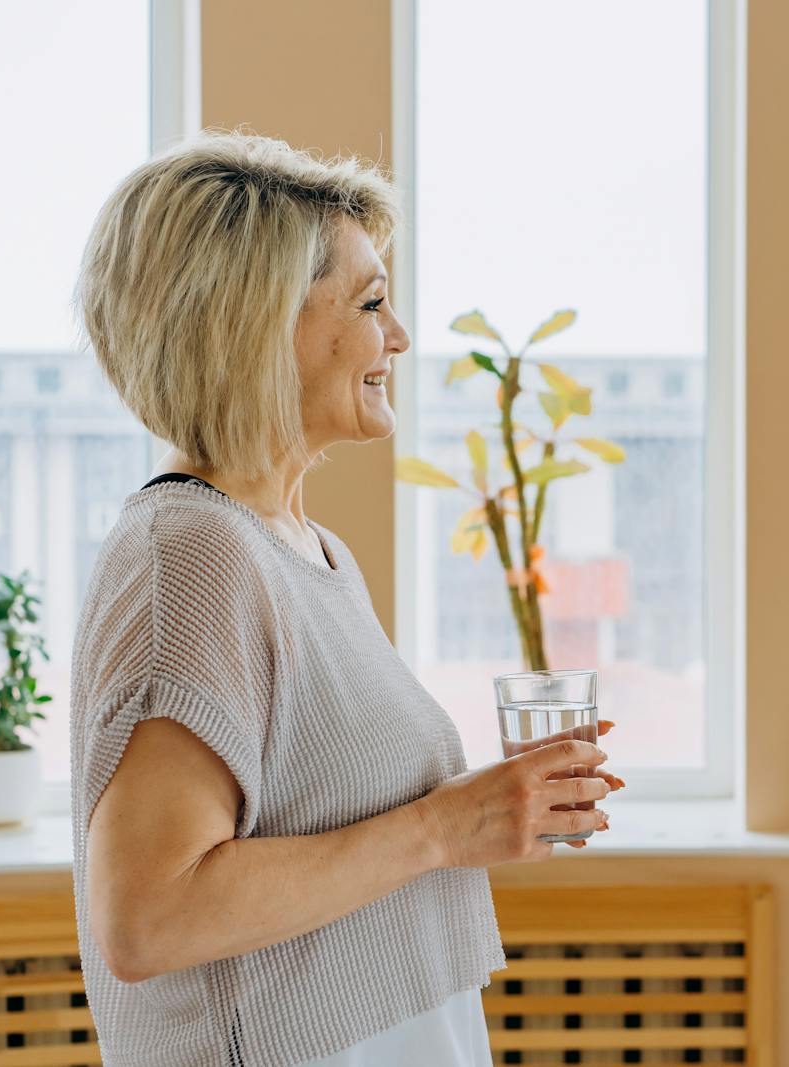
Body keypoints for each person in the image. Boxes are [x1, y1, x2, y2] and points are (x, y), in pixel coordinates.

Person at [70, 131, 621, 1066]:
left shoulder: (306, 551)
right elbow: (147, 916)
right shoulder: (191, 556)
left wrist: (486, 806)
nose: (398, 336)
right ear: (256, 325)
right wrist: (448, 825)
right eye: (370, 303)